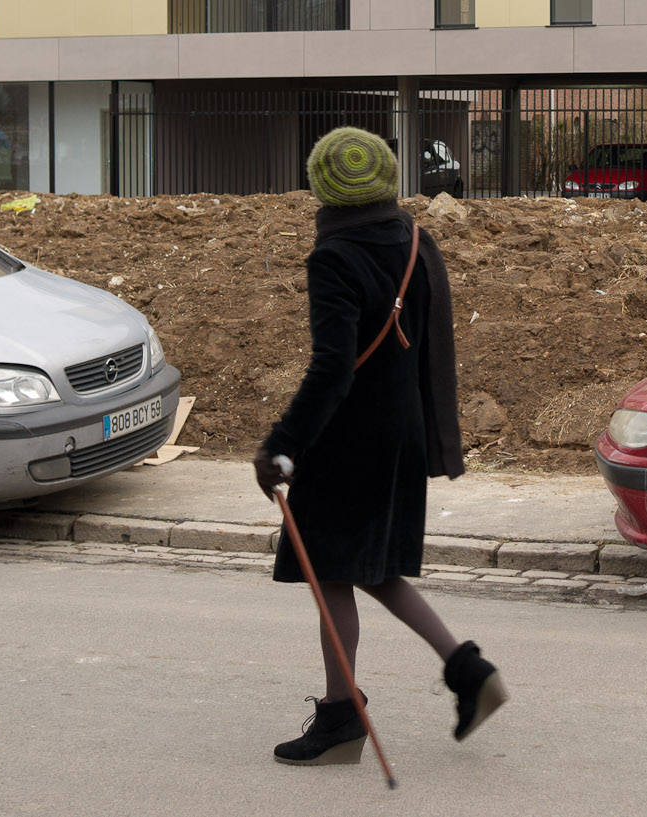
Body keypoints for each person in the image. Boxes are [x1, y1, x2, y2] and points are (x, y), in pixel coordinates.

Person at [253, 127, 505, 766]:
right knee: (371, 567)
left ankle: (342, 717)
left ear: (323, 187)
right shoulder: (418, 240)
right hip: (404, 432)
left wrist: (283, 445)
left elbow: (333, 368)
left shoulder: (336, 257)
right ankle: (468, 671)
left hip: (350, 439)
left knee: (334, 571)